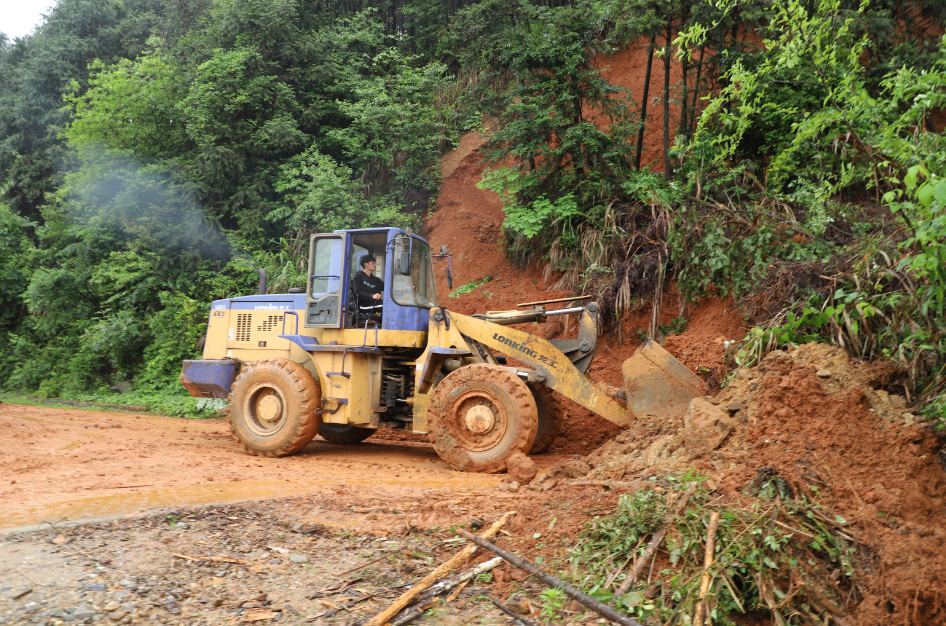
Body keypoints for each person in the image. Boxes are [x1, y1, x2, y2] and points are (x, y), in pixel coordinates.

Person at [354, 254, 384, 319]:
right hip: (364, 305)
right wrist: (372, 296)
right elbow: (357, 292)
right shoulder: (358, 276)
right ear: (366, 264)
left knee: (391, 303)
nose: (375, 265)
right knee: (386, 305)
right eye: (373, 263)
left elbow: (387, 288)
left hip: (376, 303)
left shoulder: (376, 280)